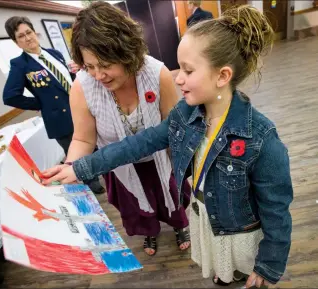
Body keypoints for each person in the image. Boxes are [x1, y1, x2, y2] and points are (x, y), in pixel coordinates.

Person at [43, 5, 293, 288]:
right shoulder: (186, 115)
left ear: (222, 76)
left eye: (187, 70)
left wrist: (269, 264)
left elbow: (277, 210)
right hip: (207, 222)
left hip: (239, 232)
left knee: (241, 273)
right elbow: (138, 144)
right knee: (222, 272)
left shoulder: (261, 139)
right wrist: (79, 167)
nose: (178, 78)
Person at [42, 2, 191, 256]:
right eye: (89, 66)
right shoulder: (83, 87)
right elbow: (82, 138)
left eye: (105, 64)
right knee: (137, 210)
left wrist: (183, 168)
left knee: (173, 201)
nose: (98, 75)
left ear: (126, 51)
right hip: (120, 168)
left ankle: (180, 228)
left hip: (160, 162)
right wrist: (71, 166)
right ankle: (150, 235)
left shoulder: (157, 74)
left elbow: (174, 130)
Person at [2, 16, 104, 195]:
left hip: (80, 108)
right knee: (76, 153)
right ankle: (91, 181)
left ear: (35, 32)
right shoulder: (19, 64)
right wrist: (41, 104)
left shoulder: (54, 54)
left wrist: (75, 75)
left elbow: (63, 81)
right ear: (16, 42)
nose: (27, 38)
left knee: (93, 143)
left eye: (29, 32)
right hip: (59, 118)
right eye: (21, 36)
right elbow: (10, 96)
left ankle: (104, 171)